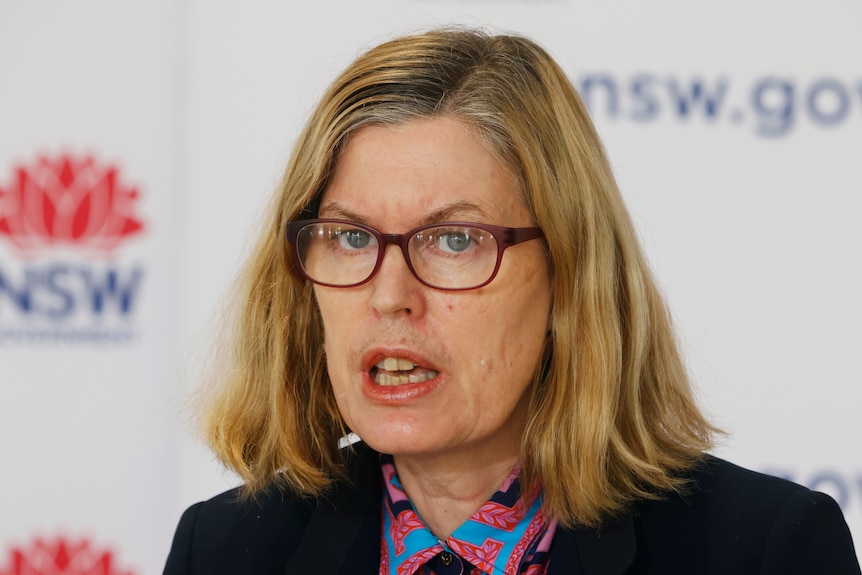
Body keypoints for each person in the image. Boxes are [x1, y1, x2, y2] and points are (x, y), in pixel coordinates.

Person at [163, 28, 860, 574]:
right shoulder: (223, 550)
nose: (389, 295)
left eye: (455, 239)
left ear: (568, 274)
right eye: (349, 236)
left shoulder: (766, 551)